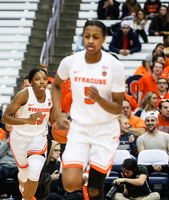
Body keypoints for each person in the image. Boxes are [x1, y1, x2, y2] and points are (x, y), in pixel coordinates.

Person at [51, 20, 125, 200]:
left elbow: (117, 108)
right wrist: (58, 113)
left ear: (103, 39)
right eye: (87, 36)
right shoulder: (70, 62)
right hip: (79, 128)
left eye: (95, 37)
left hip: (105, 130)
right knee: (69, 184)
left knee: (94, 191)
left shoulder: (114, 66)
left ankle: (92, 179)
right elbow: (56, 85)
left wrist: (99, 98)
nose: (90, 41)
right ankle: (85, 176)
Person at [2, 68, 53, 200]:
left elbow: (52, 118)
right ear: (30, 82)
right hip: (19, 137)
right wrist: (28, 120)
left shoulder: (50, 95)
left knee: (35, 170)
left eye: (44, 78)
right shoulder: (23, 95)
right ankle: (24, 187)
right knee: (24, 175)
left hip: (38, 137)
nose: (42, 82)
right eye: (37, 79)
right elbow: (5, 118)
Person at [0, 134, 18, 200]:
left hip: (15, 166)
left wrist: (5, 153)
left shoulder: (20, 144)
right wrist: (6, 143)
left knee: (24, 171)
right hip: (1, 166)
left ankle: (24, 196)